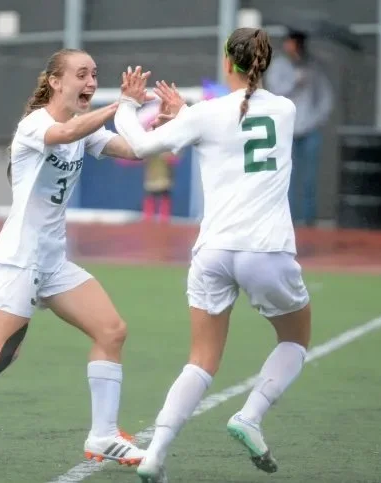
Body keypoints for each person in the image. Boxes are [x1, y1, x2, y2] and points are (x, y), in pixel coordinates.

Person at [0, 48, 148, 470]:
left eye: (95, 74)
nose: (91, 82)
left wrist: (166, 122)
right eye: (82, 74)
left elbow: (134, 150)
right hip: (18, 259)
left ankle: (104, 435)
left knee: (111, 331)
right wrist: (122, 105)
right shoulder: (36, 124)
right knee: (3, 352)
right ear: (56, 81)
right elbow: (65, 133)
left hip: (53, 261)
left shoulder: (84, 128)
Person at [114, 28, 312, 483]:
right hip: (267, 250)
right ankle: (250, 416)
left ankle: (154, 454)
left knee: (200, 360)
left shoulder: (205, 114)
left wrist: (130, 104)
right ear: (264, 64)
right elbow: (238, 127)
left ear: (229, 62)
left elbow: (142, 147)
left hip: (214, 252)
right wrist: (190, 116)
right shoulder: (285, 109)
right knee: (295, 340)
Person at [265, 29, 333, 226]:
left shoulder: (313, 67)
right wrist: (295, 80)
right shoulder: (279, 66)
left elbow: (325, 97)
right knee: (287, 176)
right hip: (287, 130)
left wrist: (318, 119)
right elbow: (275, 91)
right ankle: (288, 219)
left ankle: (308, 220)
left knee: (309, 179)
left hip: (309, 129)